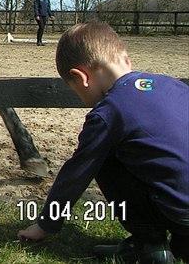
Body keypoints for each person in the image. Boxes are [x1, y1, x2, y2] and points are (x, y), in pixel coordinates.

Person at [18, 22, 189, 264]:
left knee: (102, 157)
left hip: (179, 212)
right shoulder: (174, 86)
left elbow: (76, 174)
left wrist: (46, 224)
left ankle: (150, 244)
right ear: (126, 59)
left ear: (81, 78)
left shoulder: (108, 113)